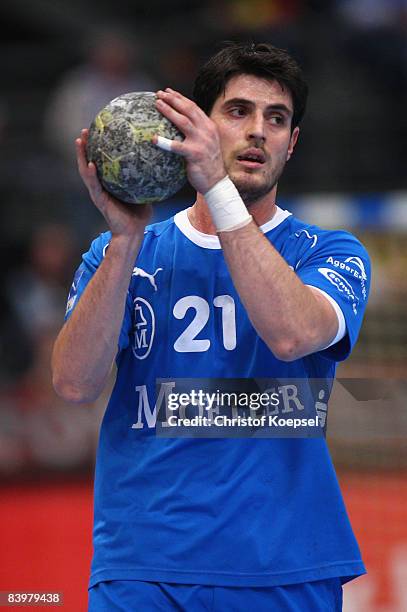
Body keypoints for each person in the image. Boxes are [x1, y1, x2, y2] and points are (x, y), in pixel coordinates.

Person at [52, 42, 370, 611]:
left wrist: (217, 191)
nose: (258, 132)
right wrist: (124, 242)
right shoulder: (126, 254)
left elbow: (292, 333)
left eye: (277, 119)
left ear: (292, 144)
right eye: (238, 111)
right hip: (143, 567)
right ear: (197, 126)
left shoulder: (329, 252)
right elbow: (74, 384)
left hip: (285, 564)